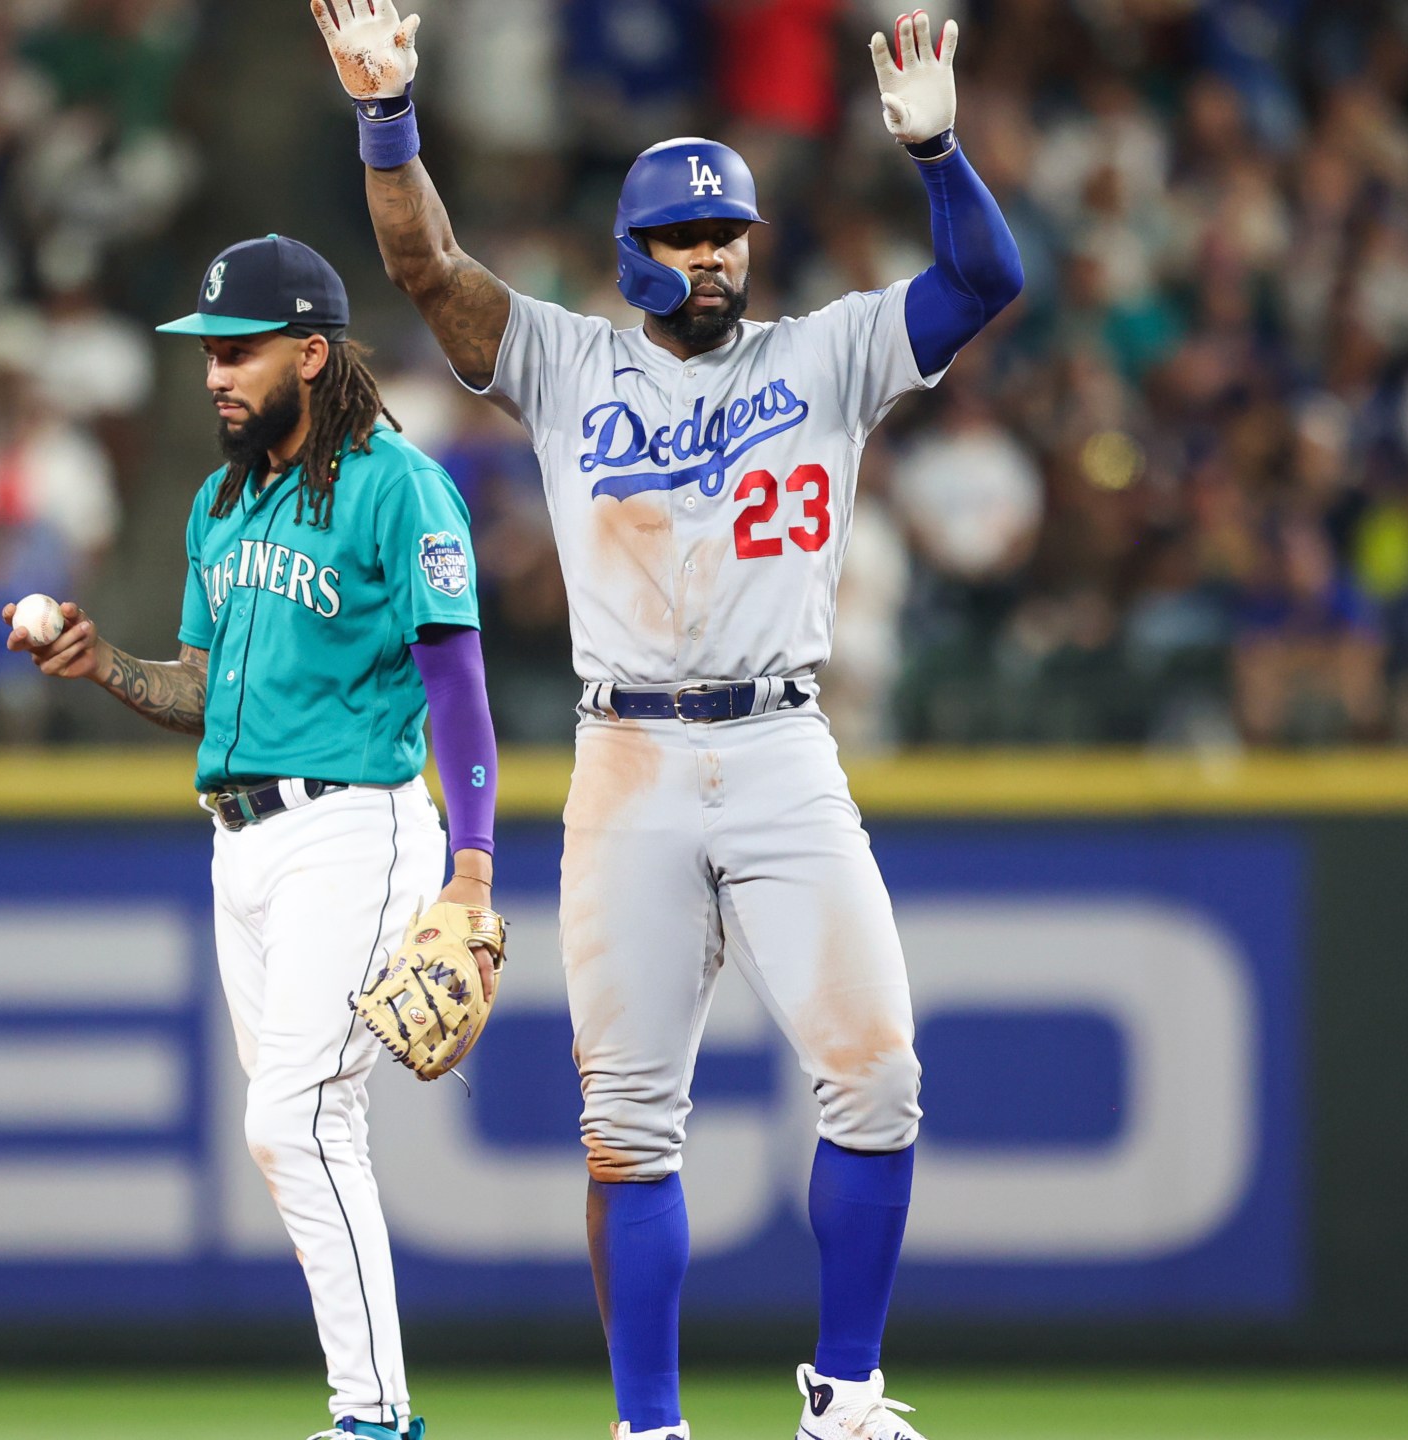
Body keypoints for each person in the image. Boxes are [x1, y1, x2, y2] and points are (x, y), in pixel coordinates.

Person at [311, 6, 1021, 1438]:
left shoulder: (825, 355)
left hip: (782, 745)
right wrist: (390, 123)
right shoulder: (569, 364)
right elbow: (422, 266)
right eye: (687, 239)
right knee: (631, 1128)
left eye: (730, 235)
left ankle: (847, 1391)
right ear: (635, 251)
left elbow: (985, 276)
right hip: (627, 755)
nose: (714, 258)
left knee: (878, 1076)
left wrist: (940, 152)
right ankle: (649, 1428)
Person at [5, 234, 498, 1440]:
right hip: (240, 843)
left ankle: (374, 1417)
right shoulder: (219, 501)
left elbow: (460, 688)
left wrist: (472, 871)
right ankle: (371, 1411)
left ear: (312, 354)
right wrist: (101, 664)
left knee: (292, 1121)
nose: (213, 376)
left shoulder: (398, 485)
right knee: (307, 1131)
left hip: (357, 829)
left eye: (237, 353)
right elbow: (196, 685)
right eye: (207, 356)